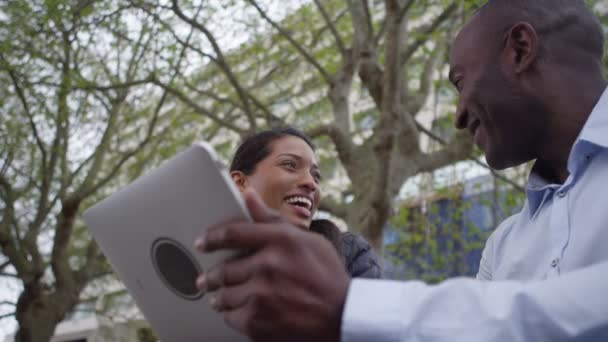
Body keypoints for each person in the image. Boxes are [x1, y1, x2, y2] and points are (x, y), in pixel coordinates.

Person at [194, 0, 608, 341]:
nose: (459, 117)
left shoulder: (348, 255)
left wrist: (347, 308)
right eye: (289, 166)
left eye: (461, 83)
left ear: (519, 48)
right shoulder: (502, 246)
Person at [227, 127, 381, 279]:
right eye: (290, 165)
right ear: (240, 182)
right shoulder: (208, 251)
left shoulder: (351, 253)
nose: (311, 183)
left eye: (316, 176)